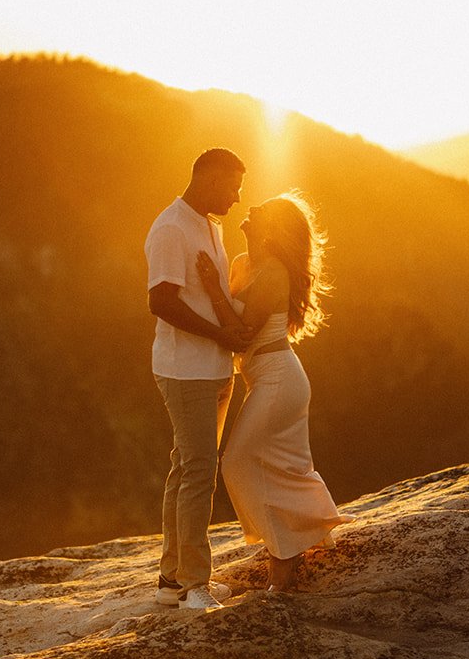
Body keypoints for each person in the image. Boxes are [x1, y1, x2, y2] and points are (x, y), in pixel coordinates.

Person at [197, 192, 351, 592]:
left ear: (273, 229)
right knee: (269, 466)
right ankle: (287, 558)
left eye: (263, 210)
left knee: (237, 462)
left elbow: (242, 333)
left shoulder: (275, 273)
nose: (253, 208)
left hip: (279, 378)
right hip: (263, 379)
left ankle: (284, 559)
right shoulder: (244, 264)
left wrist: (214, 288)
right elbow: (223, 319)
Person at [145, 148, 253, 611]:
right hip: (186, 368)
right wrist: (220, 335)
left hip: (212, 368)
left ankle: (173, 579)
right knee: (198, 472)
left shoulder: (209, 224)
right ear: (208, 178)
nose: (236, 197)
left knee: (186, 466)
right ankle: (194, 585)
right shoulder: (171, 227)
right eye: (232, 186)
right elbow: (161, 302)